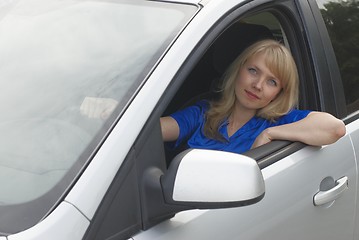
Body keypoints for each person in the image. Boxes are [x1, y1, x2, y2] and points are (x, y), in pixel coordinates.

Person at [160, 39, 346, 154]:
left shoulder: (279, 122)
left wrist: (270, 134)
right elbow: (150, 132)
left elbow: (335, 128)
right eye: (253, 71)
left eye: (272, 82)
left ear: (278, 94)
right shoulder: (204, 112)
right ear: (238, 70)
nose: (257, 85)